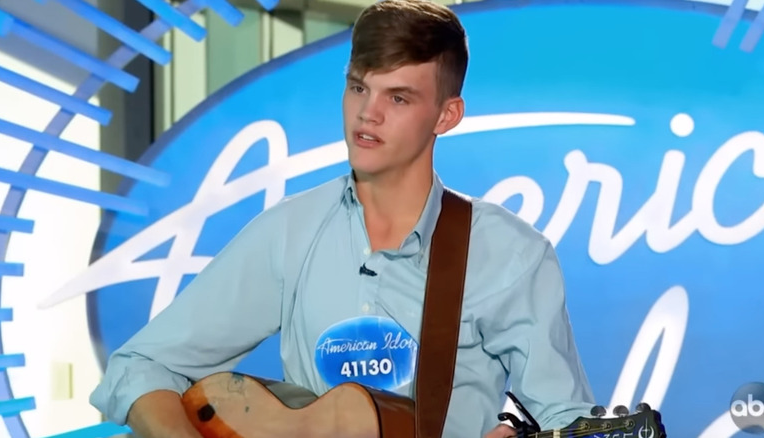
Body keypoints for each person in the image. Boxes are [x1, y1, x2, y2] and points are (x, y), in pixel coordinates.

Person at [89, 0, 596, 437]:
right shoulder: (290, 231)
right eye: (358, 88)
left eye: (397, 97)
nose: (366, 115)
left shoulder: (509, 254)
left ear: (448, 115)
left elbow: (567, 419)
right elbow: (140, 366)